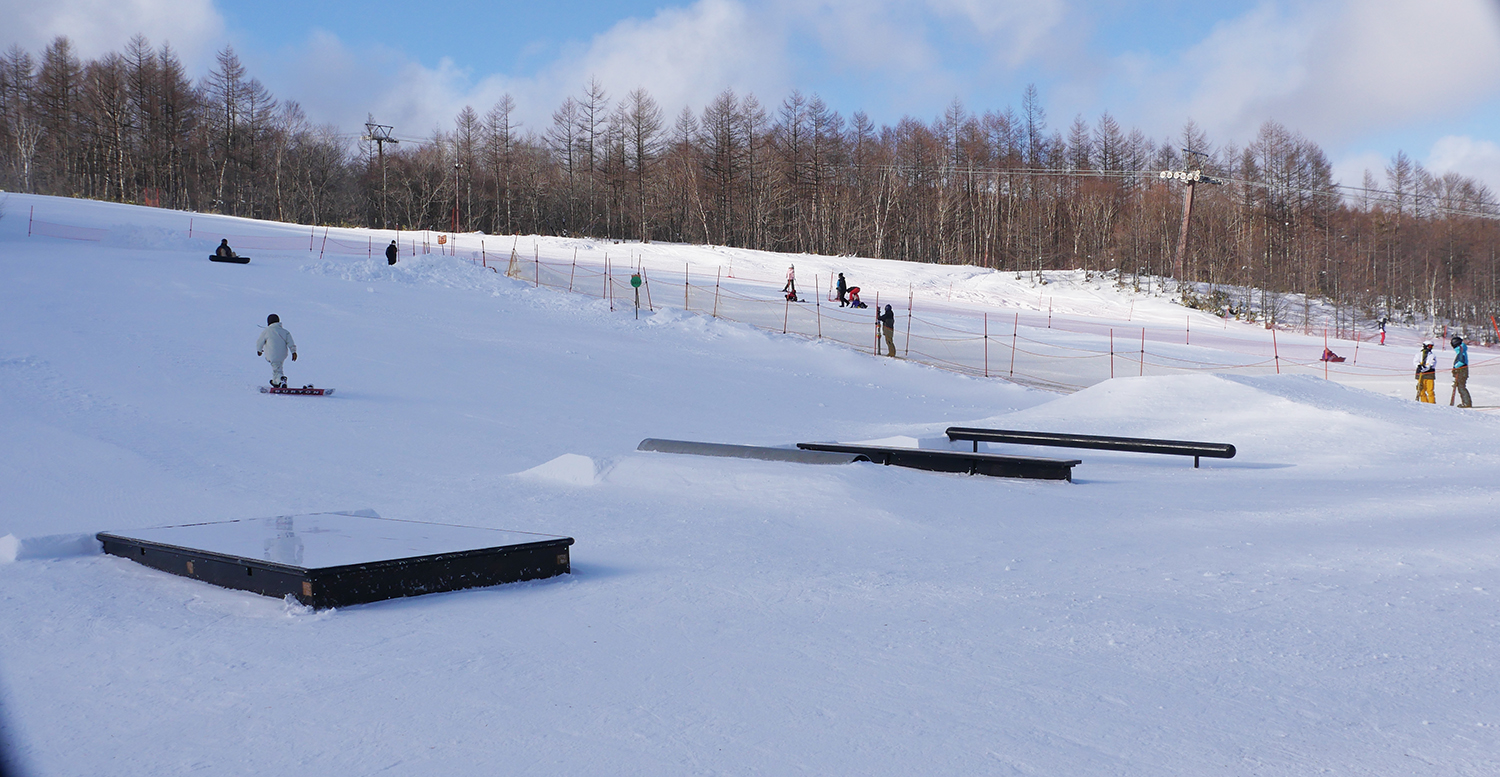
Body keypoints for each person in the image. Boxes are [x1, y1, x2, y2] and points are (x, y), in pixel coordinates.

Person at [256, 314, 297, 388]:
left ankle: (281, 379)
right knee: (277, 367)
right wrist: (293, 352)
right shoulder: (285, 332)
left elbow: (260, 341)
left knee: (276, 368)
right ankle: (276, 382)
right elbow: (290, 342)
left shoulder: (267, 331)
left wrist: (259, 350)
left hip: (272, 353)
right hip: (282, 354)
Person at [1452, 335, 1473, 408]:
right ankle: (1466, 402)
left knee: (1461, 386)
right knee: (1460, 386)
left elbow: (1461, 361)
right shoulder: (1461, 349)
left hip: (1462, 371)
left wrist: (1455, 367)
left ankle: (1466, 403)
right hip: (1462, 370)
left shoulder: (1461, 349)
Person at [1414, 339, 1437, 403]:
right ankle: (1424, 403)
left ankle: (1432, 403)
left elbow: (1432, 363)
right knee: (1421, 389)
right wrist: (1419, 366)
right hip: (1420, 374)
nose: (1430, 348)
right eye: (1429, 346)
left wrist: (1426, 368)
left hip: (1429, 374)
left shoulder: (1432, 355)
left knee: (1430, 390)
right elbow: (1415, 361)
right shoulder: (1419, 354)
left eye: (1431, 347)